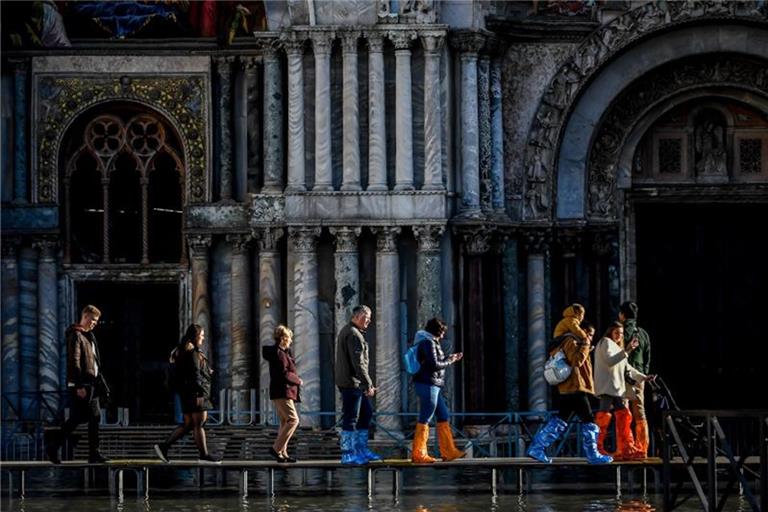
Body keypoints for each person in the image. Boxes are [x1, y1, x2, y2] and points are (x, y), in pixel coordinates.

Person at [527, 322, 613, 464]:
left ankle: (537, 448)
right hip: (575, 388)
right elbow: (576, 361)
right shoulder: (571, 341)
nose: (590, 338)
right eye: (589, 334)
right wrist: (585, 346)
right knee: (589, 420)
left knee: (560, 419)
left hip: (571, 389)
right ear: (582, 331)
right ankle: (592, 455)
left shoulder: (574, 343)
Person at [46, 305, 110, 464]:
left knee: (93, 417)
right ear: (86, 317)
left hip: (91, 385)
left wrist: (102, 386)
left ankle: (93, 453)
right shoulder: (76, 335)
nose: (95, 324)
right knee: (79, 418)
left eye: (97, 321)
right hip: (83, 385)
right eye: (93, 320)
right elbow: (74, 361)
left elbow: (95, 364)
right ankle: (54, 446)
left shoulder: (89, 337)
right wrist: (79, 385)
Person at [154, 324, 221, 463]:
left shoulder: (184, 350)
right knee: (199, 423)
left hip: (187, 393)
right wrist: (200, 394)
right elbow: (195, 375)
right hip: (196, 393)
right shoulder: (192, 352)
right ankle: (204, 455)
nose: (203, 338)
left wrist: (206, 372)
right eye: (201, 335)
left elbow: (191, 372)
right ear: (195, 336)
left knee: (189, 424)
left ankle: (164, 447)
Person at [593, 321, 652, 461]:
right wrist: (627, 350)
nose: (619, 336)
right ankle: (598, 447)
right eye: (616, 333)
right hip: (608, 387)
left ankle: (626, 447)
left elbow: (628, 368)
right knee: (605, 415)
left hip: (615, 387)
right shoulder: (606, 342)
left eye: (620, 333)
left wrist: (643, 377)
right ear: (610, 332)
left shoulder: (617, 347)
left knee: (623, 414)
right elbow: (609, 360)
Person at [410, 318, 465, 463]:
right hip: (427, 383)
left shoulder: (430, 341)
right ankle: (419, 453)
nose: (443, 335)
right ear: (437, 331)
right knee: (425, 417)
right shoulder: (428, 342)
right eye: (442, 332)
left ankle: (449, 451)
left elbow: (434, 361)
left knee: (443, 414)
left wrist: (449, 357)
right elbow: (434, 364)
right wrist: (451, 360)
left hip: (433, 383)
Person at [335, 305, 382, 464]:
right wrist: (368, 384)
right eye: (366, 316)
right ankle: (348, 453)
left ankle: (361, 450)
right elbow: (359, 363)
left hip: (354, 383)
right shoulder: (353, 334)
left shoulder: (352, 332)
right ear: (356, 317)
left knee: (366, 414)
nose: (369, 320)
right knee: (351, 417)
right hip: (351, 383)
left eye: (370, 317)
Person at [262, 324, 302, 463]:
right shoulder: (280, 354)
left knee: (285, 421)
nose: (291, 340)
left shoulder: (282, 353)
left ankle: (282, 453)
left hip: (280, 391)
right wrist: (298, 380)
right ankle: (276, 448)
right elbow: (284, 374)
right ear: (284, 338)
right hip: (283, 391)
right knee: (293, 420)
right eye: (290, 338)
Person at [619, 301, 652, 457]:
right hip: (639, 376)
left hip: (623, 375)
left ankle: (625, 447)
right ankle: (642, 448)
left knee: (624, 410)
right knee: (640, 411)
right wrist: (643, 375)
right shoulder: (643, 333)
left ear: (622, 315)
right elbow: (647, 357)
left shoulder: (620, 332)